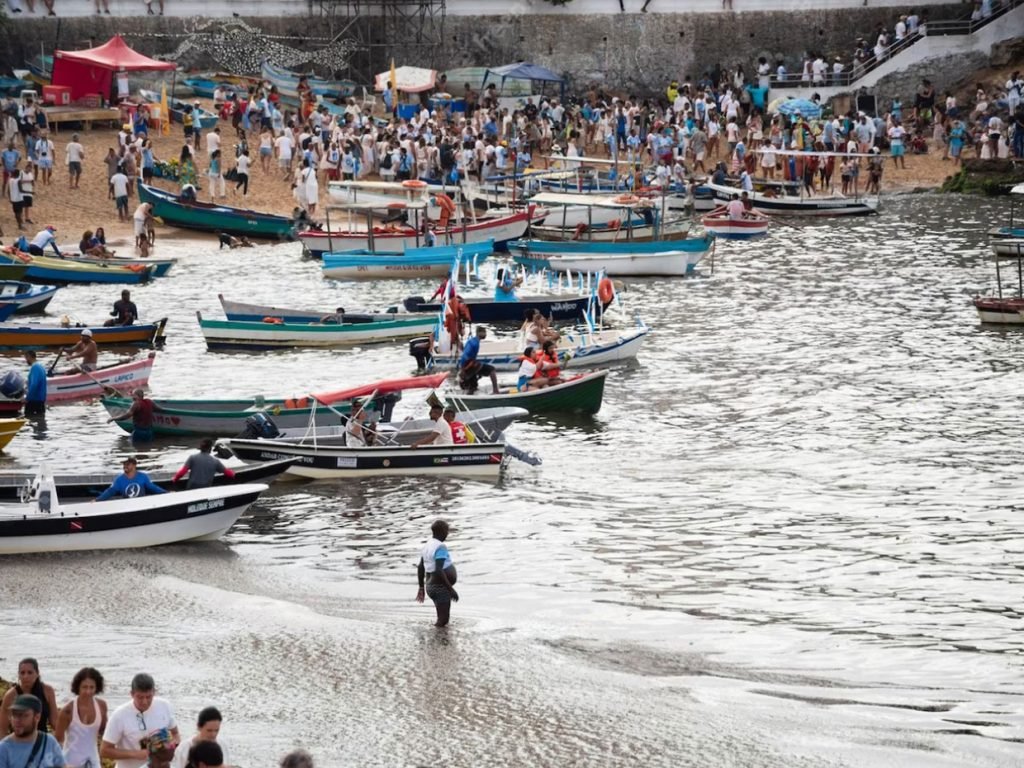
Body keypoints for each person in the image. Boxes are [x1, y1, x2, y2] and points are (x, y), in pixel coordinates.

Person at [100, 673, 178, 768]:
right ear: (132, 694)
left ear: (154, 692)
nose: (145, 702)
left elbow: (176, 734)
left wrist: (170, 747)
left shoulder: (165, 706)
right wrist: (135, 754)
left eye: (149, 697)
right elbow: (104, 750)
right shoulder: (119, 715)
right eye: (140, 697)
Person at [54, 667, 107, 768]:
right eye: (84, 687)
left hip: (93, 762)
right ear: (78, 687)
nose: (88, 691)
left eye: (92, 687)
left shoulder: (101, 706)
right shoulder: (67, 710)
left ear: (97, 688)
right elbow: (57, 741)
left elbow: (105, 732)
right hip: (70, 762)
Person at [0, 694, 65, 768]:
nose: (16, 720)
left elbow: (62, 765)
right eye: (14, 715)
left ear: (37, 717)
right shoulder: (4, 749)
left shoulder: (49, 741)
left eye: (23, 715)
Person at [416, 518, 459, 628]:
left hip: (431, 586)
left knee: (441, 617)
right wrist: (451, 589)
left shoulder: (427, 545)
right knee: (443, 620)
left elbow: (421, 567)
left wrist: (421, 587)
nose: (447, 534)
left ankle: (438, 637)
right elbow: (439, 570)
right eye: (447, 531)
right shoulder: (440, 546)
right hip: (440, 587)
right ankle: (435, 638)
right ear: (443, 531)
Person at [1, 660, 58, 736]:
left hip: (41, 740)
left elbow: (54, 722)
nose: (26, 676)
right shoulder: (11, 695)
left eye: (30, 672)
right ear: (19, 675)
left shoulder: (47, 691)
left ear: (37, 673)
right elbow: (2, 728)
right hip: (19, 741)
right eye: (22, 673)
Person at [95, 457, 165, 501]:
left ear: (134, 465)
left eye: (128, 464)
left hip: (142, 503)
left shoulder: (143, 476)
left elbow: (153, 488)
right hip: (127, 505)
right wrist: (97, 500)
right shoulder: (119, 479)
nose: (125, 466)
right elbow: (110, 491)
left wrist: (166, 493)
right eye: (124, 465)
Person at [457, 326, 498, 395]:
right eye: (484, 333)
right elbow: (466, 355)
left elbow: (464, 351)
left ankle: (471, 390)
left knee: (474, 384)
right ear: (479, 333)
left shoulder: (471, 340)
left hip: (466, 364)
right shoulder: (475, 343)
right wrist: (465, 369)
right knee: (492, 370)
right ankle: (495, 391)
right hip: (468, 364)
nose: (485, 335)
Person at [23, 351, 46, 417]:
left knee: (28, 419)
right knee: (41, 420)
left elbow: (34, 384)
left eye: (26, 358)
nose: (26, 361)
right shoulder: (41, 367)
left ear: (29, 357)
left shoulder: (34, 368)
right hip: (41, 399)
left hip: (33, 400)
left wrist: (27, 398)